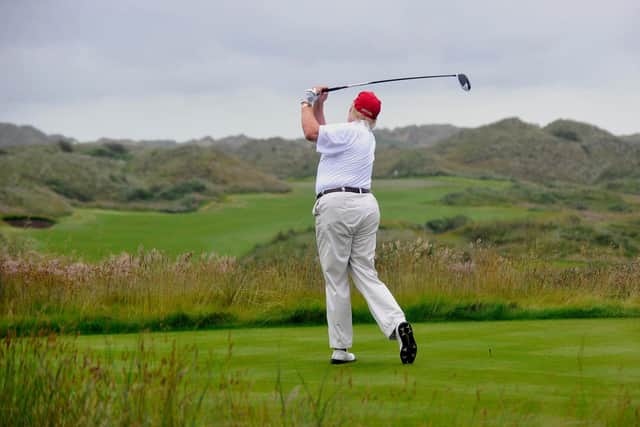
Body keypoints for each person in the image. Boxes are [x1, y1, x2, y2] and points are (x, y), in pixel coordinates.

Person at [300, 86, 417, 365]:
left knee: (336, 277)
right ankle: (397, 323)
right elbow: (325, 135)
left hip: (336, 206)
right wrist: (320, 105)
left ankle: (340, 349)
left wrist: (306, 101)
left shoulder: (349, 130)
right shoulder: (364, 136)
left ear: (354, 109)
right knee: (366, 272)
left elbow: (311, 132)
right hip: (365, 205)